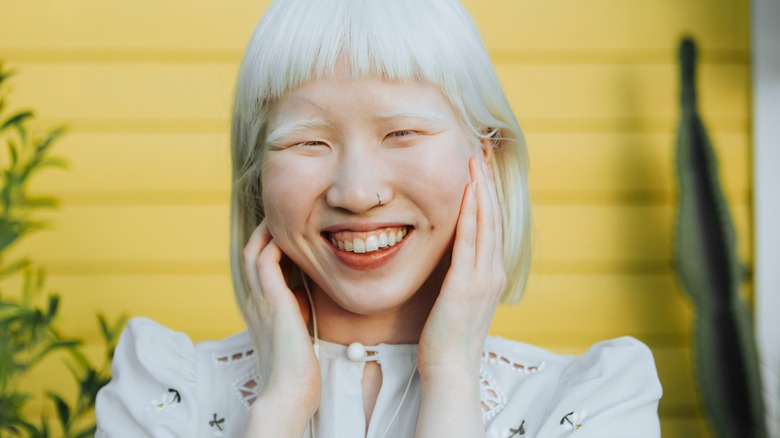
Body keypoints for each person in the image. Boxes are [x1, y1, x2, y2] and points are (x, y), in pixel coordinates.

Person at [95, 0, 663, 436]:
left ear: (487, 156)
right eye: (309, 142)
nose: (357, 192)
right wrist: (281, 405)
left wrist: (451, 380)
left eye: (402, 133)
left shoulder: (594, 402)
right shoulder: (165, 393)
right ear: (256, 175)